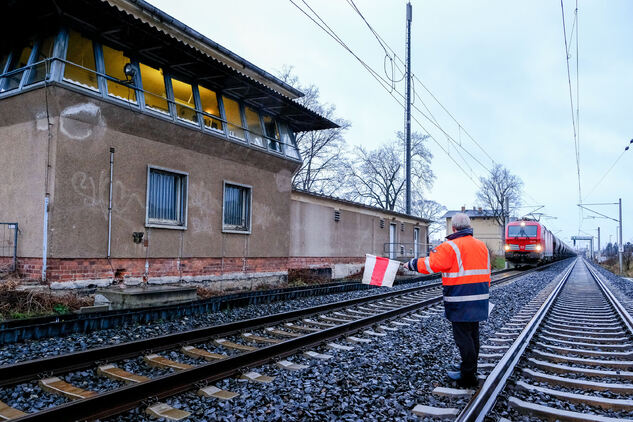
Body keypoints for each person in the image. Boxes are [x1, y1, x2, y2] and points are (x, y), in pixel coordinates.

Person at [405, 212, 490, 388]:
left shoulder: (449, 246)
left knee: (463, 338)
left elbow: (431, 264)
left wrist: (411, 264)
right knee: (473, 335)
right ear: (469, 227)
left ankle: (468, 377)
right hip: (480, 297)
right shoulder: (482, 246)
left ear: (453, 228)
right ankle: (470, 368)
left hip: (460, 299)